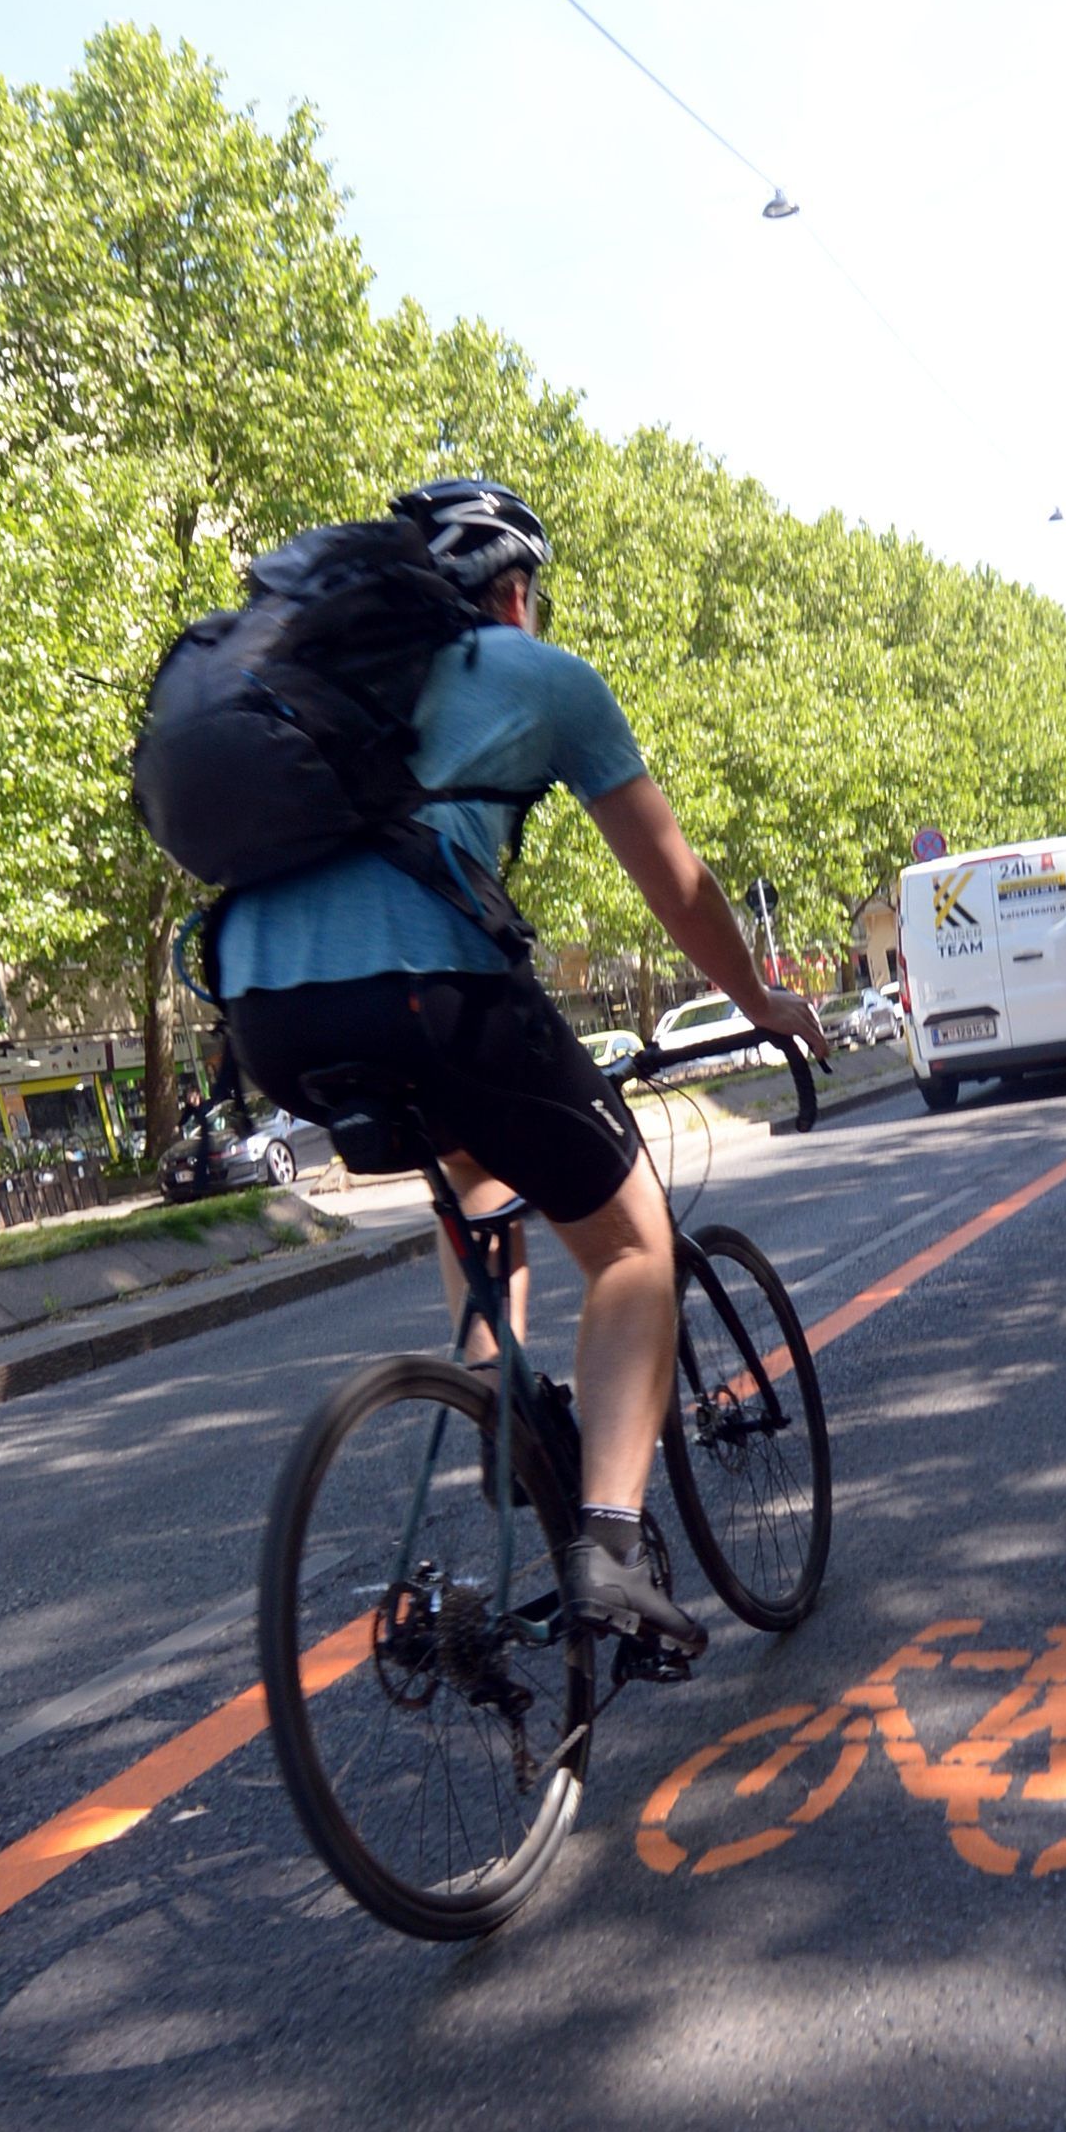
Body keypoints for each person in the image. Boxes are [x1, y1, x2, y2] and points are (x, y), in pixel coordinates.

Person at [214, 479, 823, 1662]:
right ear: (514, 591)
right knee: (635, 1238)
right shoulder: (537, 675)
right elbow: (680, 886)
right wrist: (760, 1001)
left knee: (479, 1159)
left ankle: (494, 1392)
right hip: (425, 988)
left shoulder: (301, 683)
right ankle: (605, 1542)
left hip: (263, 1012)